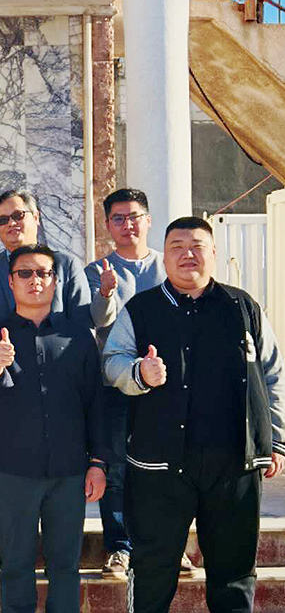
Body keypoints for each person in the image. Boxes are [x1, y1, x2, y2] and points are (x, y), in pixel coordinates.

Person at [104, 216, 284, 613]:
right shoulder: (142, 309)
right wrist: (140, 374)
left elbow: (272, 374)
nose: (188, 254)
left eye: (197, 245)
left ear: (214, 253)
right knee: (153, 558)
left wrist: (276, 438)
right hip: (160, 458)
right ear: (163, 256)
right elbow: (112, 363)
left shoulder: (241, 307)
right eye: (177, 246)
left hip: (233, 458)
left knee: (234, 558)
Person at [0, 244, 107, 613]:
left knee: (65, 564)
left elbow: (96, 402)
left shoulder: (76, 334)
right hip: (14, 469)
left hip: (69, 470)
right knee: (15, 562)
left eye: (44, 273)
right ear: (11, 282)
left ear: (56, 280)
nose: (35, 281)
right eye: (25, 273)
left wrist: (98, 462)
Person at [84, 188, 195, 581]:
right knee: (116, 469)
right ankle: (119, 547)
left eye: (134, 217)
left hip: (167, 385)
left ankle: (170, 546)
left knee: (168, 469)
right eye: (118, 218)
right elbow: (97, 323)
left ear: (148, 220)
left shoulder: (169, 266)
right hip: (116, 384)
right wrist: (105, 292)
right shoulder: (96, 271)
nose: (127, 225)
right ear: (107, 225)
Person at [0, 189, 91, 331]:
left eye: (18, 215)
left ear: (36, 217)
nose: (11, 223)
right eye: (2, 220)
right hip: (5, 345)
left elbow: (82, 321)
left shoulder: (66, 265)